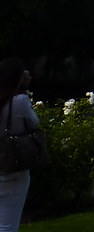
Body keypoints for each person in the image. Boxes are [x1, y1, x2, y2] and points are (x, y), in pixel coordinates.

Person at [0, 59, 38, 232]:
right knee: (8, 225)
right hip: (12, 169)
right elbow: (34, 124)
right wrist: (23, 88)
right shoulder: (20, 101)